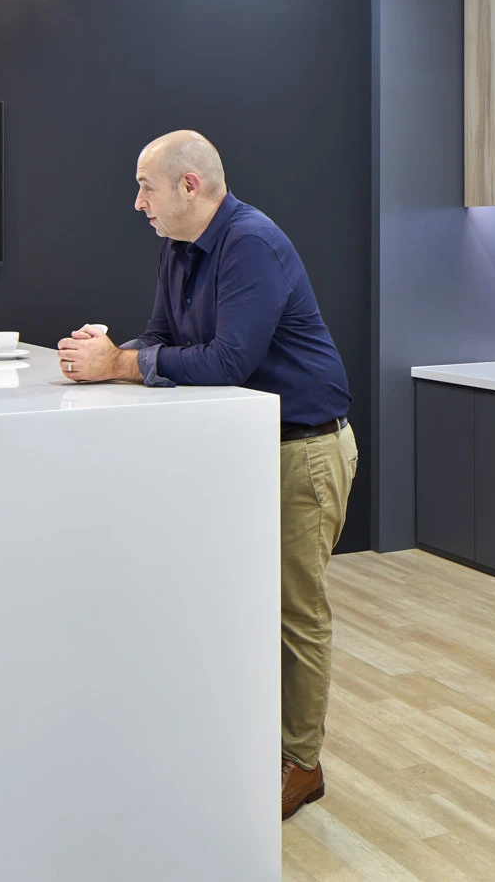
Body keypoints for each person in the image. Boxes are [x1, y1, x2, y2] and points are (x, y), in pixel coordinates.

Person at [56, 130, 356, 820]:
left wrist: (120, 363)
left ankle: (301, 763)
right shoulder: (178, 248)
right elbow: (161, 338)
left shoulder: (252, 242)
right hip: (244, 449)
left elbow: (225, 361)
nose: (138, 203)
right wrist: (99, 354)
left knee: (295, 615)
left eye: (145, 187)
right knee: (245, 607)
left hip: (302, 451)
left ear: (189, 186)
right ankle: (255, 744)